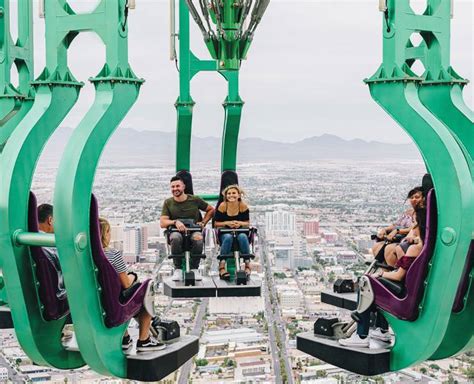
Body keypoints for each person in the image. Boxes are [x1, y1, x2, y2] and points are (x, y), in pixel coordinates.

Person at [340, 206, 426, 348]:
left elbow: (398, 275)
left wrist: (380, 274)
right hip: (411, 289)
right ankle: (382, 330)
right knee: (376, 283)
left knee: (366, 282)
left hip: (403, 292)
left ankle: (361, 336)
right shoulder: (423, 246)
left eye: (414, 224)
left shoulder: (414, 248)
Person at [99, 218, 165, 353]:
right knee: (146, 288)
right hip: (115, 303)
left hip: (97, 301)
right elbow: (126, 283)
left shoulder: (86, 257)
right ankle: (144, 340)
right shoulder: (112, 254)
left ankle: (125, 337)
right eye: (108, 231)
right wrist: (133, 275)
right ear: (104, 234)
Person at [160, 176, 215, 281]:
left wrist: (203, 222)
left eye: (177, 186)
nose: (175, 189)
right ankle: (178, 269)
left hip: (193, 230)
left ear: (183, 187)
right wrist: (175, 222)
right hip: (176, 231)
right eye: (172, 187)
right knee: (175, 238)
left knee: (198, 238)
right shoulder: (168, 202)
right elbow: (163, 222)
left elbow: (211, 210)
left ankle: (194, 268)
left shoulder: (194, 200)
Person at [371, 187, 424, 265]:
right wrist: (385, 230)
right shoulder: (408, 212)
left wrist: (397, 231)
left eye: (417, 197)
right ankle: (384, 269)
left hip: (408, 239)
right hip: (398, 237)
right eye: (411, 197)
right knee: (377, 247)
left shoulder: (422, 214)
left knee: (390, 249)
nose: (414, 199)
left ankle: (394, 271)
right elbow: (396, 224)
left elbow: (414, 228)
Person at [213, 185, 251, 280]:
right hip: (225, 232)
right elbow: (216, 223)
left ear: (238, 195)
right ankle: (222, 266)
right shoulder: (222, 206)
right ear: (225, 196)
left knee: (242, 237)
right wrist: (227, 223)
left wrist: (239, 223)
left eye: (233, 193)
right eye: (229, 194)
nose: (231, 195)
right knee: (228, 238)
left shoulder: (243, 206)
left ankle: (247, 264)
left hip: (240, 231)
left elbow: (247, 223)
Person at [37, 204, 66, 300]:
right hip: (58, 297)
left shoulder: (25, 243)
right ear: (50, 220)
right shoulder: (51, 246)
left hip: (37, 296)